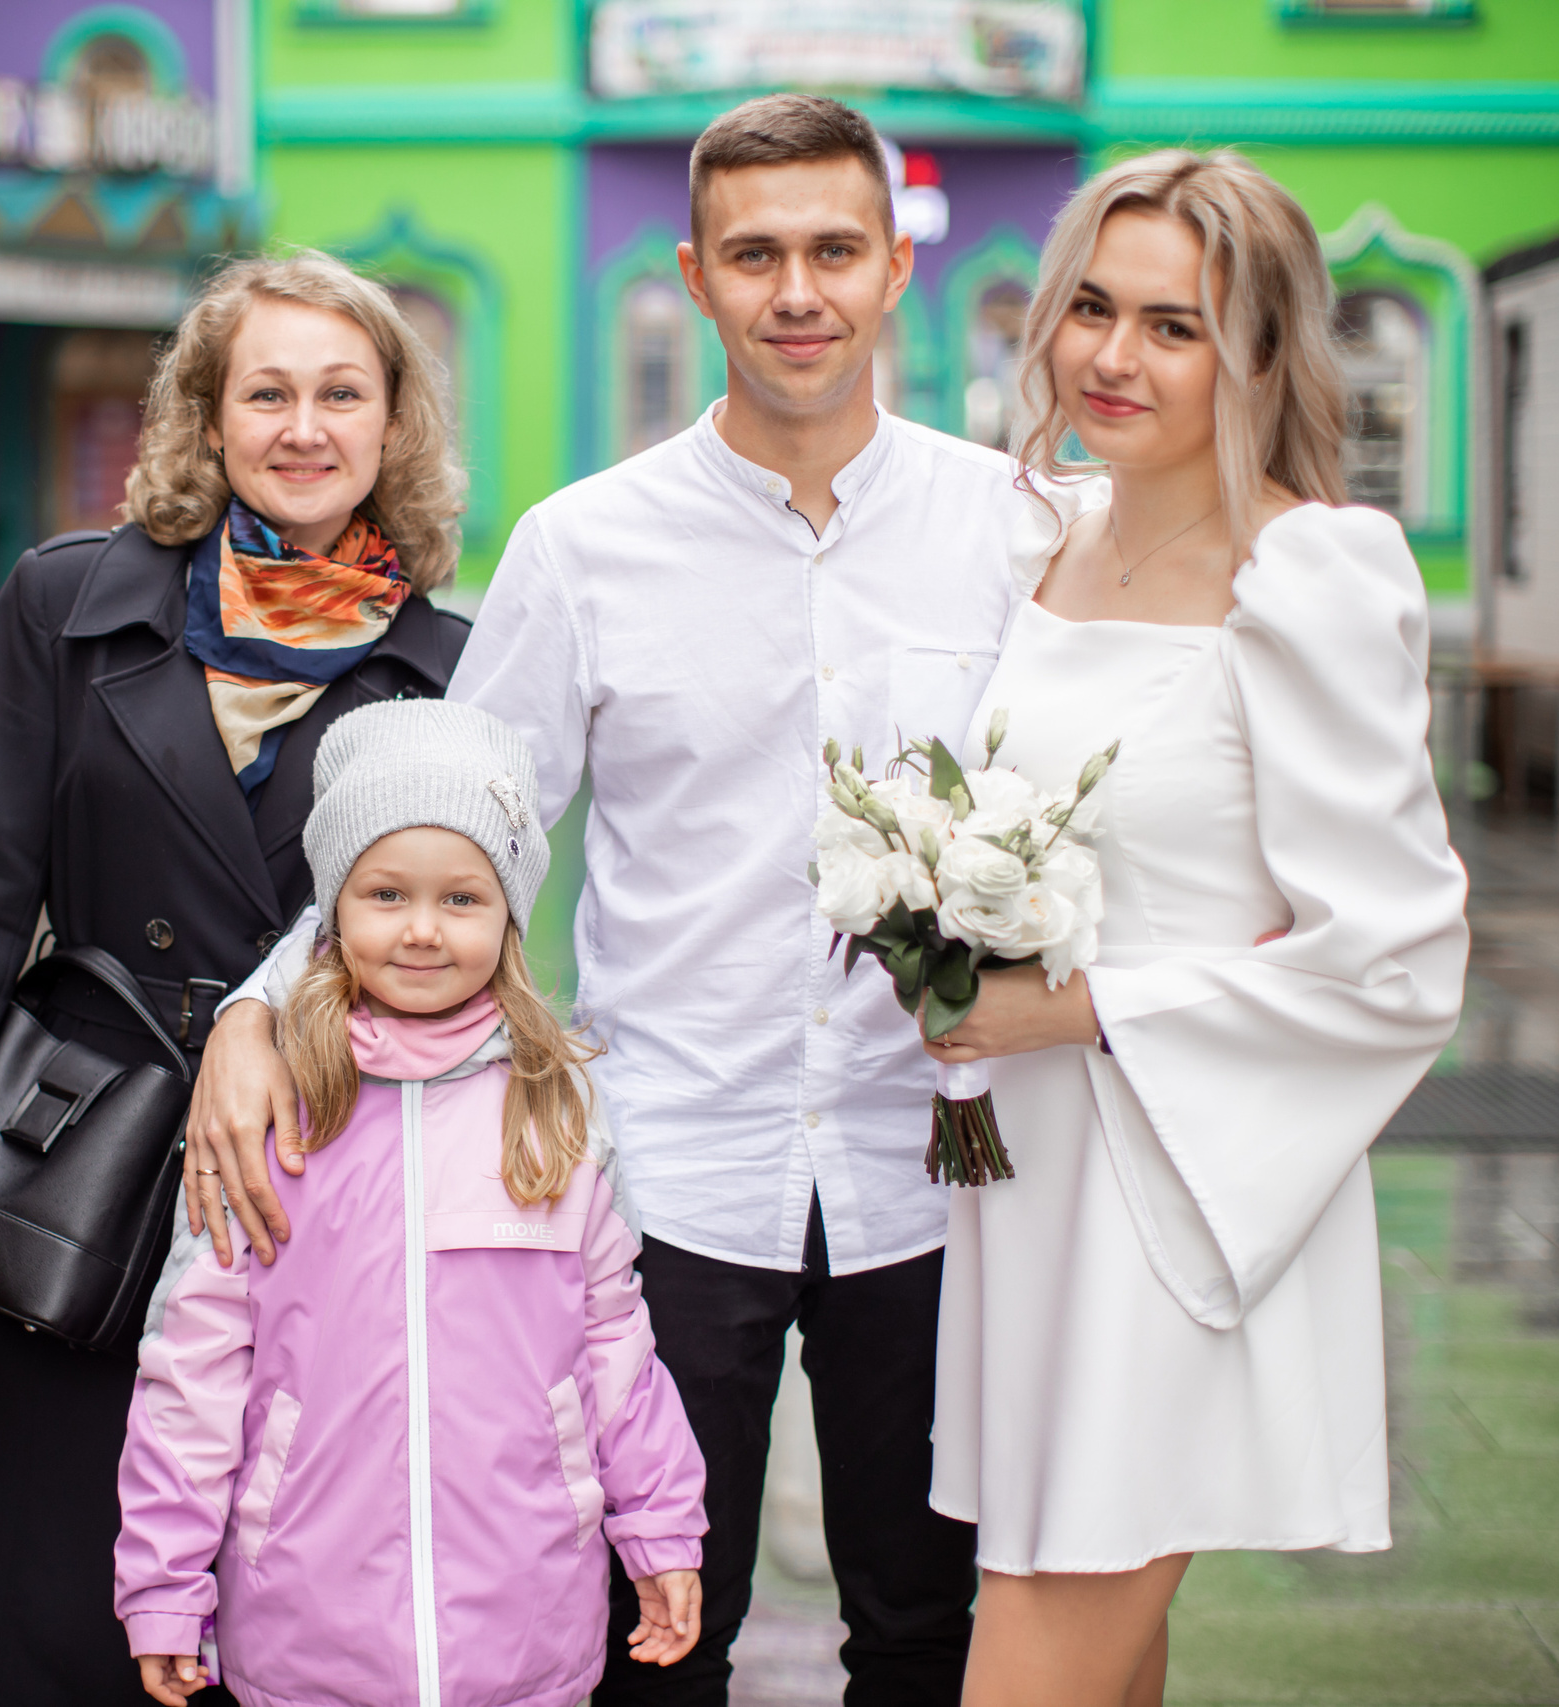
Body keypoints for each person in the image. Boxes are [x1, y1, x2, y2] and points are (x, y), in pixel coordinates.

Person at [190, 94, 1057, 1704]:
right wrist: (260, 1005)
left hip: (944, 1166)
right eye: (755, 255)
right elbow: (464, 826)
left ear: (892, 273)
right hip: (671, 1171)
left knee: (930, 1630)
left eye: (832, 250)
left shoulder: (1012, 532)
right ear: (695, 274)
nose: (795, 289)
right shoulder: (585, 545)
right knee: (655, 1633)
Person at [0, 251, 475, 1706]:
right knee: (34, 1585)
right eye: (269, 391)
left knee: (264, 1581)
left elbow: (466, 942)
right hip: (72, 1161)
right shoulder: (67, 604)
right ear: (209, 415)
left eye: (342, 393)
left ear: (393, 423)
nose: (305, 426)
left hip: (310, 1173)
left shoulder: (445, 667)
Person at [918, 151, 1469, 1706]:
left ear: (1264, 354)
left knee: (1037, 1636)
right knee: (1101, 1637)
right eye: (1091, 306)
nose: (1110, 355)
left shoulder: (1310, 572)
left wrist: (1077, 1006)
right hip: (1031, 1186)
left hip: (1185, 1185)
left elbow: (1395, 956)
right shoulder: (1053, 541)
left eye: (1174, 326)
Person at [115, 698, 710, 1707]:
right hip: (308, 1623)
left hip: (526, 1621)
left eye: (463, 899)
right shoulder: (274, 1111)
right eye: (386, 893)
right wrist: (165, 1583)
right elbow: (194, 1362)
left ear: (510, 910)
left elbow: (613, 1340)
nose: (423, 931)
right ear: (334, 907)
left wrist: (657, 1525)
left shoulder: (553, 1103)